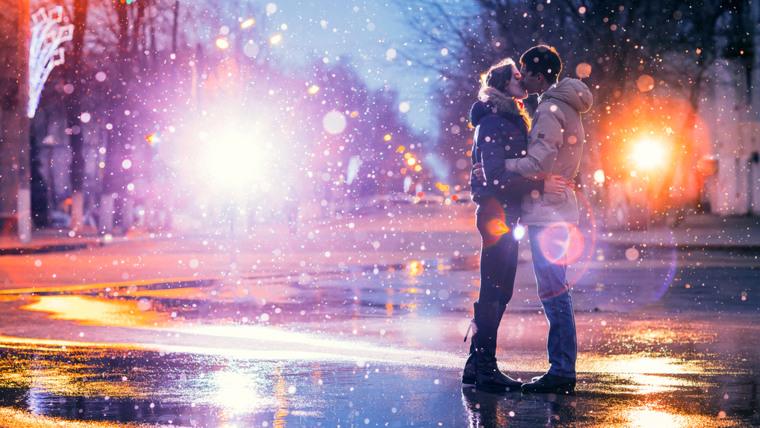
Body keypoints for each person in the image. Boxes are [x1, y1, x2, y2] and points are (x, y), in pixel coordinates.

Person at [474, 45, 593, 394]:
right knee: (552, 290)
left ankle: (560, 371)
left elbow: (539, 164)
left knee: (554, 292)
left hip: (549, 211)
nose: (522, 77)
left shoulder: (550, 108)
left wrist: (497, 169)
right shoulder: (562, 104)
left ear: (539, 76)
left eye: (525, 71)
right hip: (551, 207)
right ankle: (487, 366)